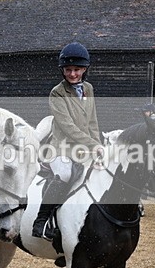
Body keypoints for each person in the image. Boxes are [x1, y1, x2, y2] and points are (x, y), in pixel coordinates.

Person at [32, 41, 103, 238]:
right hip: (61, 149)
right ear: (62, 70)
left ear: (85, 69)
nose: (73, 74)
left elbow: (92, 122)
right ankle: (40, 222)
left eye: (77, 69)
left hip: (84, 149)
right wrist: (92, 144)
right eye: (68, 70)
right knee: (64, 174)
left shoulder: (88, 88)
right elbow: (68, 127)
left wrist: (98, 146)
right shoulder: (57, 93)